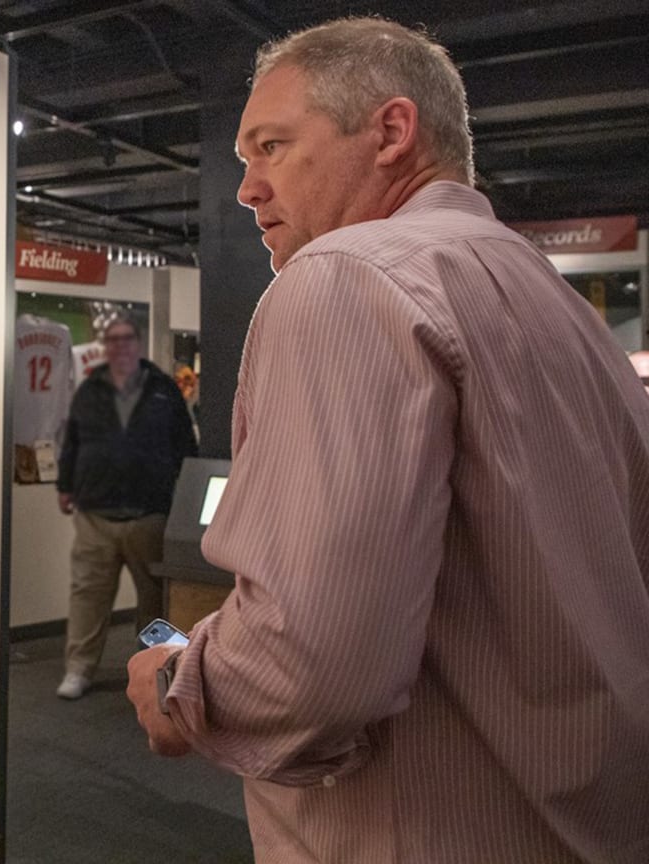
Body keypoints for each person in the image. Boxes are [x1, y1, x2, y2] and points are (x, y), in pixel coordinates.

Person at [125, 17, 649, 862]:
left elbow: (316, 662)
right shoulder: (558, 307)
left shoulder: (344, 278)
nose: (246, 188)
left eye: (271, 146)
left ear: (392, 132)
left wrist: (182, 686)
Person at [54, 310, 196, 699]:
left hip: (148, 514)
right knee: (88, 595)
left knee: (155, 599)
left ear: (137, 343)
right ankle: (78, 669)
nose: (119, 346)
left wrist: (180, 499)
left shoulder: (164, 390)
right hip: (95, 514)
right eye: (112, 340)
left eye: (126, 339)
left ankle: (155, 671)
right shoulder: (91, 389)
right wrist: (66, 486)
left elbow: (186, 448)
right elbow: (73, 443)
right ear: (107, 347)